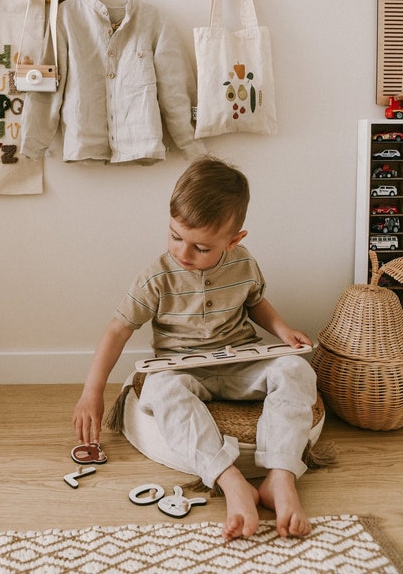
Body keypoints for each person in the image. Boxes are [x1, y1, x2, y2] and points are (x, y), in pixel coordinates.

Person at [73, 156, 317, 540]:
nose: (183, 253)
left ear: (233, 240)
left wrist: (282, 329)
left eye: (201, 247)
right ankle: (230, 479)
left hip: (241, 361)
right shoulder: (155, 276)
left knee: (297, 370)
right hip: (181, 369)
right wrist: (92, 391)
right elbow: (117, 330)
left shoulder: (244, 263)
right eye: (174, 236)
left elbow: (255, 302)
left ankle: (281, 478)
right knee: (158, 387)